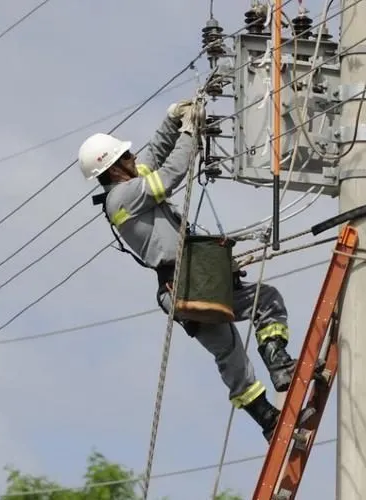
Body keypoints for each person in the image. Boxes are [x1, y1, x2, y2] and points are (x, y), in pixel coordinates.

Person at [77, 99, 313, 441]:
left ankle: (274, 392)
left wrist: (173, 119)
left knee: (245, 329)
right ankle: (274, 391)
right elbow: (170, 174)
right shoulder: (123, 198)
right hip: (186, 283)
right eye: (126, 157)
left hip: (189, 282)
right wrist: (190, 132)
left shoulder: (128, 186)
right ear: (114, 169)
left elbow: (153, 156)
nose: (134, 159)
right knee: (248, 326)